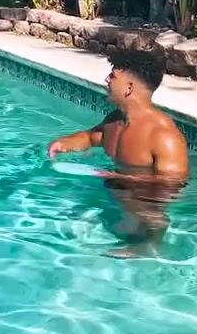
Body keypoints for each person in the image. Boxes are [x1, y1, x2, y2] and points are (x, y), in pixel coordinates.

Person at [47, 47, 189, 254]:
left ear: (129, 87)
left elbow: (172, 185)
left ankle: (146, 247)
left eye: (112, 76)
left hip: (141, 201)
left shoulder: (163, 136)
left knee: (153, 216)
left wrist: (123, 178)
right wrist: (64, 143)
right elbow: (90, 137)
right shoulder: (114, 122)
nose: (107, 80)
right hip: (117, 191)